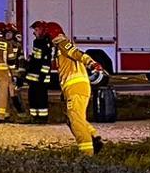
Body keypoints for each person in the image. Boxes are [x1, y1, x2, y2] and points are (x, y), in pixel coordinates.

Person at [41, 22, 105, 155]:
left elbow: (77, 54)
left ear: (51, 35)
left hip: (76, 88)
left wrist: (92, 64)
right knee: (73, 118)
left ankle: (87, 153)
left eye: (46, 36)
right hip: (74, 88)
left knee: (75, 120)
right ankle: (93, 138)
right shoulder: (59, 48)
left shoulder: (62, 44)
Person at [21, 21, 53, 123]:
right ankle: (34, 117)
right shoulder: (37, 42)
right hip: (34, 77)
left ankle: (42, 118)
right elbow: (36, 59)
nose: (34, 32)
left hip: (41, 78)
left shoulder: (45, 44)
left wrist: (42, 76)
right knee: (32, 97)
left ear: (42, 30)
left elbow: (46, 62)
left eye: (36, 30)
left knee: (41, 98)